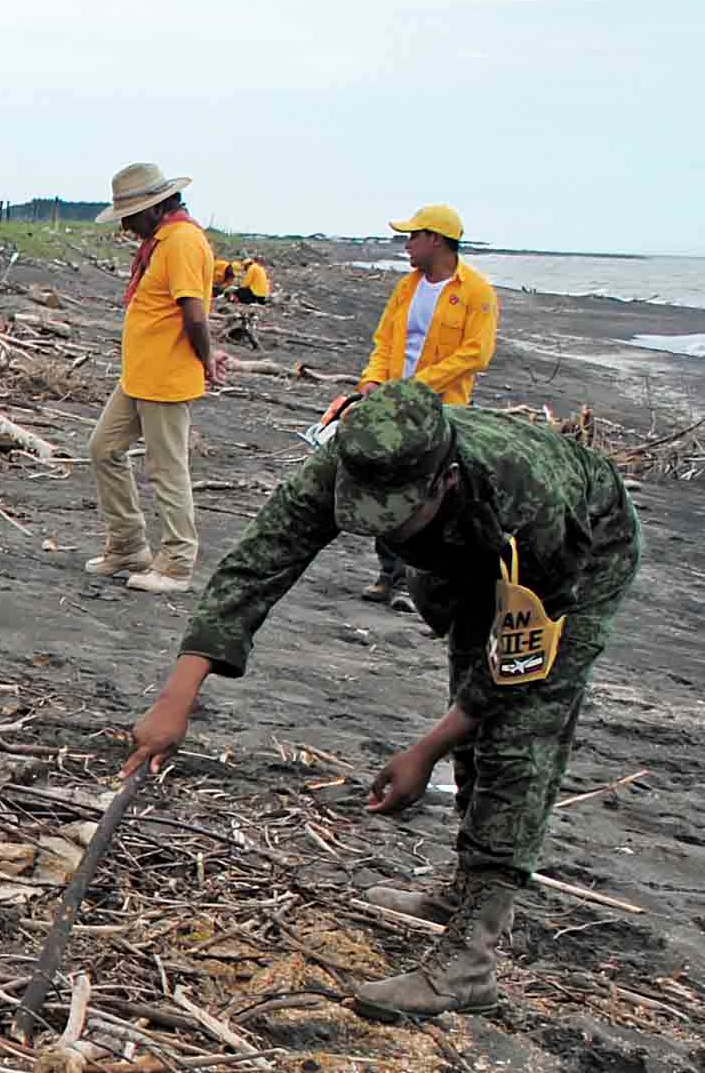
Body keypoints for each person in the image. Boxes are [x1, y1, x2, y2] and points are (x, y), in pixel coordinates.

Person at [121, 382, 638, 1021]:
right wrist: (178, 696)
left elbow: (518, 665)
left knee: (517, 733)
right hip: (471, 557)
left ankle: (470, 963)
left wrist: (426, 749)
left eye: (391, 514)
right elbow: (258, 564)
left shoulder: (528, 497)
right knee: (470, 693)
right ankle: (460, 891)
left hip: (577, 558)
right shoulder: (347, 458)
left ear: (442, 481)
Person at [353, 204, 501, 601]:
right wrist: (372, 381)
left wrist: (420, 386)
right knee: (387, 485)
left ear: (435, 239)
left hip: (443, 410)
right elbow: (384, 341)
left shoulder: (476, 292)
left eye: (413, 236)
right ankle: (390, 574)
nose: (407, 245)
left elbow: (477, 353)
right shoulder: (407, 288)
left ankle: (431, 582)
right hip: (393, 405)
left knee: (436, 496)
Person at [83, 160, 215, 595]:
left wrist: (207, 360)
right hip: (140, 374)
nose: (124, 226)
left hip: (166, 377)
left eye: (129, 216)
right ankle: (127, 545)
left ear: (154, 207)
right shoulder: (160, 242)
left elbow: (194, 314)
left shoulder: (181, 242)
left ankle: (177, 562)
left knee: (166, 468)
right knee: (104, 448)